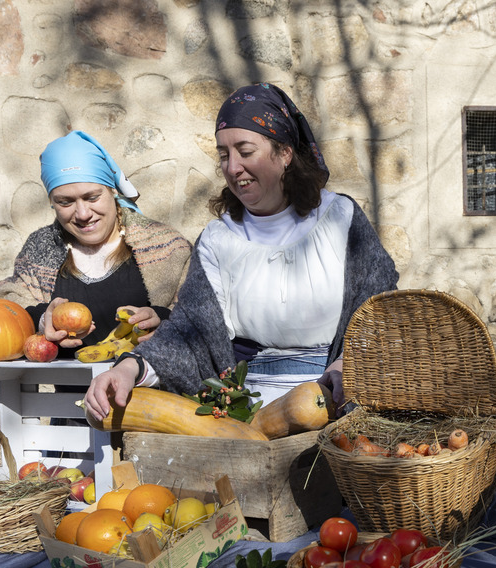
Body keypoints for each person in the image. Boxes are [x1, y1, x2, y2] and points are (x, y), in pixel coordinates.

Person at [83, 83, 398, 419]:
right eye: (224, 154)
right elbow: (190, 332)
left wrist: (348, 364)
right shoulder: (220, 239)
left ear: (284, 153)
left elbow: (379, 308)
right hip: (245, 411)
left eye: (245, 152)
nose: (232, 168)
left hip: (338, 403)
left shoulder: (340, 218)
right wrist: (128, 368)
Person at [0, 130, 192, 355]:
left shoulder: (167, 246)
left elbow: (197, 315)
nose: (82, 213)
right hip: (67, 391)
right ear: (52, 202)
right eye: (65, 202)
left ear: (112, 190)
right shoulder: (41, 247)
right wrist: (42, 319)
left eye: (92, 197)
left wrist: (162, 319)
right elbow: (7, 307)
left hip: (147, 388)